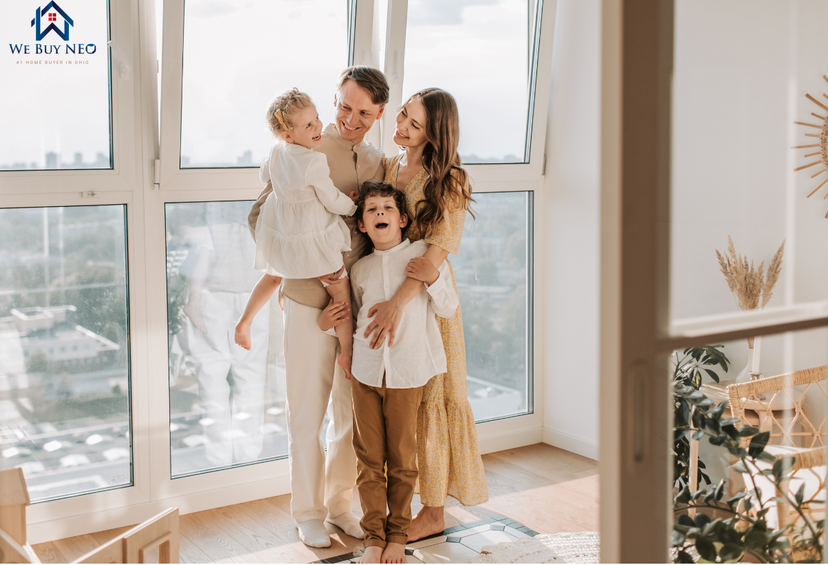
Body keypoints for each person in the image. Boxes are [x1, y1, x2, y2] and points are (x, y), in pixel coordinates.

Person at [247, 66, 389, 548]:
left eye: (364, 112)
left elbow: (376, 228)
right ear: (334, 101)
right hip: (309, 302)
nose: (351, 118)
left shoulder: (377, 162)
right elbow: (262, 217)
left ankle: (339, 505)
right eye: (345, 106)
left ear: (379, 114)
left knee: (350, 418)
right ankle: (307, 512)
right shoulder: (302, 149)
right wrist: (310, 279)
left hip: (357, 308)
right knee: (306, 414)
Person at [368, 88, 489, 541]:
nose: (401, 126)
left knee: (434, 399)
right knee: (401, 402)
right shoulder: (387, 166)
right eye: (403, 115)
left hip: (429, 300)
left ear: (434, 133)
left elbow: (433, 257)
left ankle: (433, 511)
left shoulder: (451, 180)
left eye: (414, 124)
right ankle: (400, 503)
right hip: (390, 291)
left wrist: (396, 304)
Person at [349, 181, 458, 564]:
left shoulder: (421, 255)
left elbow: (447, 307)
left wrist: (433, 276)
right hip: (365, 372)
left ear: (403, 219)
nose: (380, 213)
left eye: (387, 208)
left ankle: (397, 534)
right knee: (367, 459)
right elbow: (358, 315)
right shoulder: (359, 269)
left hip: (407, 374)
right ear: (362, 224)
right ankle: (373, 538)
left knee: (401, 459)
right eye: (371, 210)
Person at [236, 88, 357, 379]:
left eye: (316, 119)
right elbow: (331, 199)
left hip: (282, 230)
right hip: (311, 235)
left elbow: (264, 175)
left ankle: (245, 321)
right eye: (308, 125)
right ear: (288, 135)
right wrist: (353, 206)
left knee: (273, 276)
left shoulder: (276, 150)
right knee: (339, 288)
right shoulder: (314, 162)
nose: (318, 127)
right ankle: (347, 351)